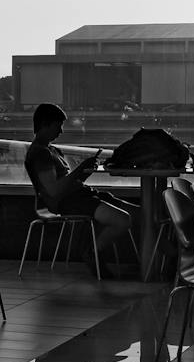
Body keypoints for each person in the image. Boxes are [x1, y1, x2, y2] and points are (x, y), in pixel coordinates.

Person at [24, 102, 134, 260]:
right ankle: (92, 254)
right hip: (70, 202)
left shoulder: (51, 151)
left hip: (79, 197)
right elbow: (54, 191)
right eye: (58, 125)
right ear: (45, 124)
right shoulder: (41, 154)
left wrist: (84, 171)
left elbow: (67, 183)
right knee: (124, 219)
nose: (61, 130)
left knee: (135, 213)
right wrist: (80, 170)